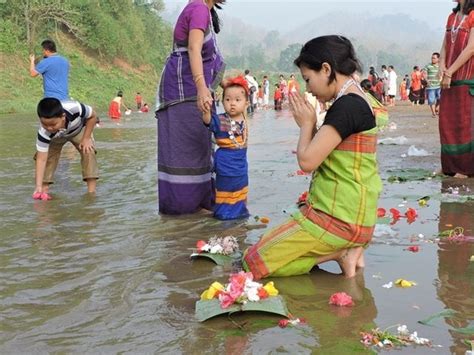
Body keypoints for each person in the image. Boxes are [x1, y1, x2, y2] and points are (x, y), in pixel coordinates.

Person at [243, 35, 382, 280]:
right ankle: (344, 251)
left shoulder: (347, 106)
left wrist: (306, 124)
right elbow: (331, 152)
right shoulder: (358, 98)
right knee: (268, 242)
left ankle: (338, 253)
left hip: (338, 220)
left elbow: (307, 162)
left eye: (308, 79)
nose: (308, 88)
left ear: (326, 69)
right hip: (355, 216)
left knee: (251, 263)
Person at [155, 0, 226, 214]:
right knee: (186, 152)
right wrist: (202, 88)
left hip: (192, 90)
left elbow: (205, 58)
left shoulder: (204, 10)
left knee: (200, 149)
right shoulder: (198, 9)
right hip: (185, 92)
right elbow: (194, 48)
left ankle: (200, 208)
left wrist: (227, 86)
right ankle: (184, 210)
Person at [202, 76, 250, 220]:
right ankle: (224, 217)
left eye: (237, 100)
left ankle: (240, 215)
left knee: (241, 191)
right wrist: (205, 111)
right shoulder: (220, 119)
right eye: (227, 100)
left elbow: (239, 92)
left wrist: (231, 86)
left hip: (241, 168)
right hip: (225, 166)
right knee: (225, 191)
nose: (232, 104)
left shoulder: (244, 119)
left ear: (246, 104)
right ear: (222, 102)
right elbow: (208, 121)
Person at [33, 97, 98, 199]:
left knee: (88, 151)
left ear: (63, 117)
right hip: (56, 138)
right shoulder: (44, 133)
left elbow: (93, 116)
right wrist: (38, 186)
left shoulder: (75, 108)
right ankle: (43, 191)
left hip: (77, 131)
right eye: (45, 124)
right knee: (49, 157)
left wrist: (86, 138)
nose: (49, 128)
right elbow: (41, 159)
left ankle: (91, 193)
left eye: (53, 124)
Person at [438, 0, 474, 178]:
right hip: (449, 78)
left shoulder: (473, 15)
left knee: (464, 125)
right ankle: (449, 167)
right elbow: (445, 45)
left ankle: (466, 169)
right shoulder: (452, 17)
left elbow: (471, 48)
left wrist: (451, 71)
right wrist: (442, 66)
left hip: (466, 79)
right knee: (447, 124)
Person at [423, 52, 441, 117]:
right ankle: (433, 113)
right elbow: (424, 74)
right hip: (430, 86)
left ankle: (437, 108)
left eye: (434, 58)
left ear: (438, 59)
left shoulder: (440, 66)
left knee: (440, 98)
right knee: (431, 100)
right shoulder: (428, 66)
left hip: (439, 85)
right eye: (432, 58)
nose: (432, 59)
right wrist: (427, 81)